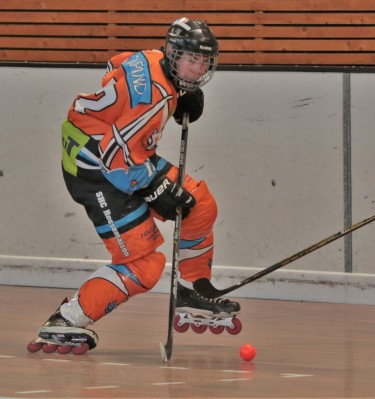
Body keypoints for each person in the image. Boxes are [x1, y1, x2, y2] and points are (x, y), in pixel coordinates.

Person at [28, 17, 241, 355]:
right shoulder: (153, 100)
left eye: (203, 61)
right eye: (191, 59)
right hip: (96, 168)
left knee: (199, 203)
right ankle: (66, 319)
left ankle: (190, 289)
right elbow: (114, 159)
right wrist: (154, 189)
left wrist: (180, 94)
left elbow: (115, 64)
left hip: (124, 152)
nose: (197, 69)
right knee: (144, 266)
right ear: (173, 54)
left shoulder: (152, 58)